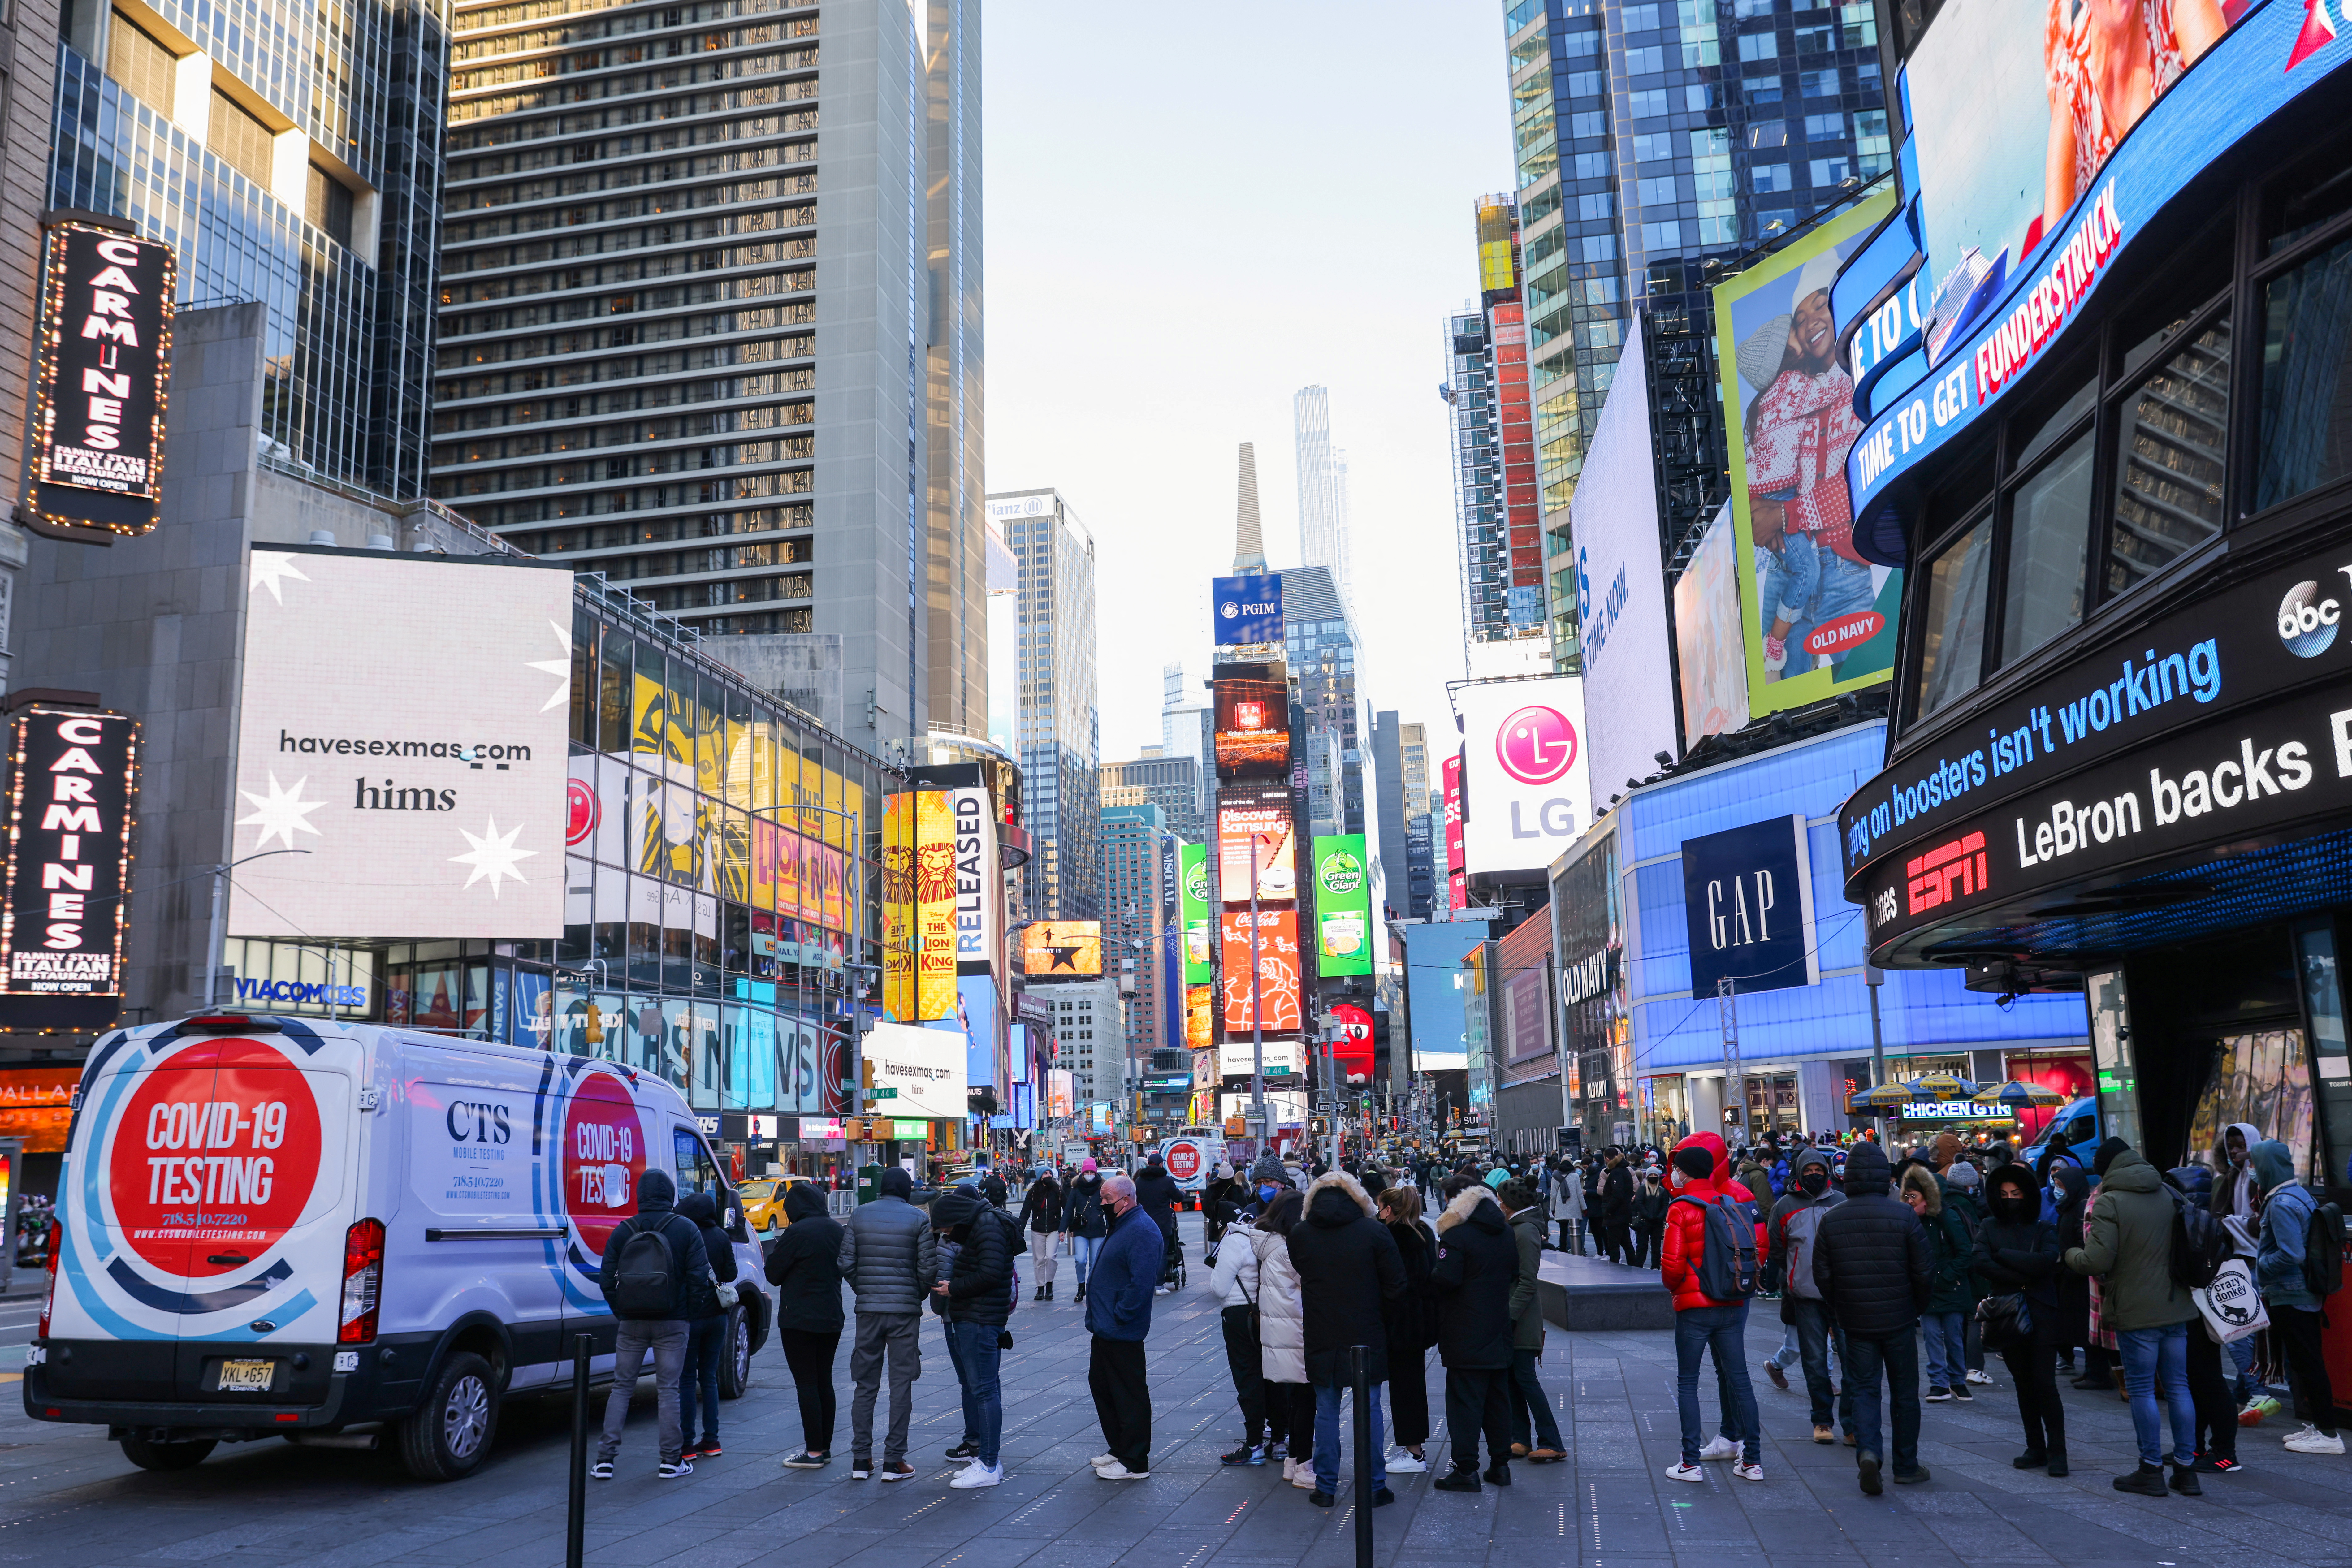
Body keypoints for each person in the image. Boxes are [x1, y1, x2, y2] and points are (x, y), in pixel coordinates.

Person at [2064, 1138, 2200, 1495]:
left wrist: (2070, 1255)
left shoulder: (2110, 1201)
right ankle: (2186, 1470)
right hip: (2176, 1304)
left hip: (2136, 1310)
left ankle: (2150, 1469)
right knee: (2179, 1387)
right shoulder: (2170, 1194)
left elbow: (2096, 1261)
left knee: (2141, 1390)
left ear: (2108, 1168)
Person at [1812, 1141, 1933, 1494]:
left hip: (1856, 1319)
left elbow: (1823, 1274)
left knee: (1864, 1389)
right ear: (1886, 1177)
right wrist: (1916, 1307)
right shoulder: (1904, 1216)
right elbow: (1924, 1271)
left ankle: (1868, 1452)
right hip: (1898, 1318)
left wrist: (1839, 1309)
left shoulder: (1832, 1219)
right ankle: (1906, 1464)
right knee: (1905, 1393)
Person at [1287, 1171, 1406, 1507]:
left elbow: (1301, 1271)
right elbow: (1397, 1285)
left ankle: (1325, 1487)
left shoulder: (1301, 1234)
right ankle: (1374, 1486)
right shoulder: (1374, 1232)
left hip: (1321, 1332)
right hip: (1366, 1332)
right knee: (1369, 1408)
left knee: (1325, 1411)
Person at [592, 1168, 719, 1480]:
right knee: (669, 1389)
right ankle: (670, 1460)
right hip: (673, 1321)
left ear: (640, 1196)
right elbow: (700, 1278)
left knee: (621, 1387)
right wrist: (687, 1312)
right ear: (670, 1194)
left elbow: (606, 1279)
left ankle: (605, 1460)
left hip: (632, 1322)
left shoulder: (624, 1230)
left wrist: (622, 1310)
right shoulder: (686, 1228)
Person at [1660, 1135, 1764, 1484]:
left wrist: (1680, 1290)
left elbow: (1672, 1267)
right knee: (1741, 1381)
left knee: (1688, 1383)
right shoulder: (1731, 1201)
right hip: (1732, 1303)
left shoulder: (1681, 1208)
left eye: (1675, 1169)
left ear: (1685, 1174)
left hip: (1694, 1307)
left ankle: (1690, 1463)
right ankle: (1752, 1461)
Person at [837, 1165, 937, 1482]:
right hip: (904, 1313)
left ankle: (860, 1459)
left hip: (868, 1311)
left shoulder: (860, 1215)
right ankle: (894, 1461)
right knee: (901, 1384)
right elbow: (927, 1269)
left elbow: (846, 1263)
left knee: (865, 1385)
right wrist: (915, 1295)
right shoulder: (919, 1219)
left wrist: (864, 1290)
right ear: (908, 1191)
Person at [1970, 1164, 2067, 1476]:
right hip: (2007, 1313)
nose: (2010, 1199)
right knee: (2023, 1384)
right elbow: (1980, 1262)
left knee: (2044, 1383)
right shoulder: (1988, 1226)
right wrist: (2024, 1269)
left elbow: (2046, 1262)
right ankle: (2035, 1446)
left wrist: (2005, 1256)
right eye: (2003, 1195)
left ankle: (2057, 1451)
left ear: (2026, 1195)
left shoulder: (2044, 1228)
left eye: (2015, 1194)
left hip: (2041, 1313)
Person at [2249, 1138, 2344, 1454]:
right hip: (2303, 1294)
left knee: (2307, 1363)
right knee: (2307, 1361)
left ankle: (2329, 1435)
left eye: (2255, 1164)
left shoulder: (2280, 1204)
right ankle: (2319, 1426)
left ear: (2266, 1168)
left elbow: (2292, 1254)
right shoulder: (2299, 1194)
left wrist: (2261, 1264)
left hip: (2291, 1294)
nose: (2252, 1170)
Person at [1427, 1177, 1519, 1493]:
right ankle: (1500, 1465)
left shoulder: (1457, 1236)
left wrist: (1431, 1279)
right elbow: (1515, 1275)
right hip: (1498, 1326)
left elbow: (1447, 1280)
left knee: (1464, 1402)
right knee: (1497, 1400)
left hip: (1464, 1330)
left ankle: (1466, 1469)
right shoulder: (1506, 1232)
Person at [1765, 1144, 1852, 1445]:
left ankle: (1851, 1423)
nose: (1814, 1175)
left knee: (1852, 1361)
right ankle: (1822, 1421)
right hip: (1806, 1295)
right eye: (1809, 1171)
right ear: (1799, 1174)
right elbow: (1776, 1248)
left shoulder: (1842, 1202)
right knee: (1815, 1363)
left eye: (1819, 1170)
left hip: (1843, 1294)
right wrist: (1793, 1274)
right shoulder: (1785, 1207)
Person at [929, 1186, 1015, 1489]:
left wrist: (954, 1289)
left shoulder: (988, 1225)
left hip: (980, 1319)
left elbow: (991, 1274)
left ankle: (989, 1464)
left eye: (949, 1228)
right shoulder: (983, 1224)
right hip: (978, 1317)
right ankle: (986, 1460)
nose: (949, 1234)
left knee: (985, 1391)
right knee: (983, 1389)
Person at [1087, 1173, 1162, 1480]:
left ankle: (1134, 1460)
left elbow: (1141, 1283)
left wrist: (1121, 1314)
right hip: (1106, 1327)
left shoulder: (1141, 1230)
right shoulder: (1123, 1224)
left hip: (1121, 1329)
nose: (1102, 1204)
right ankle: (1119, 1448)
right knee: (1103, 1388)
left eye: (1107, 1200)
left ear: (1126, 1200)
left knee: (1129, 1395)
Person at [766, 1182, 845, 1469]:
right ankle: (824, 1447)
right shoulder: (837, 1230)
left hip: (798, 1319)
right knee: (825, 1380)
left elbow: (773, 1274)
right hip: (831, 1317)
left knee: (807, 1383)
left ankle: (813, 1452)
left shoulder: (796, 1233)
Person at [1497, 1178, 1565, 1464]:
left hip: (1521, 1319)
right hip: (1515, 1316)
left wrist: (1508, 1317)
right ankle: (1520, 1438)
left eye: (1500, 1200)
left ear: (1509, 1204)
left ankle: (1551, 1441)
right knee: (1514, 1379)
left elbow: (1528, 1281)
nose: (1498, 1205)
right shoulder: (1517, 1227)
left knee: (1525, 1378)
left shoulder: (1524, 1231)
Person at [1252, 1190, 1317, 1486]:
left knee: (1298, 1401)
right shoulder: (1289, 1249)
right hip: (1297, 1333)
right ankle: (1304, 1466)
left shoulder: (1271, 1245)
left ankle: (1294, 1461)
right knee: (1307, 1401)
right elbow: (1312, 1280)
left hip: (1282, 1334)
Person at [1902, 1165, 1975, 1405]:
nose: (1910, 1201)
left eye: (1914, 1196)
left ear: (1928, 1195)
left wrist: (1944, 1276)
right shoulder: (1911, 1221)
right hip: (1927, 1289)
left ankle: (1957, 1380)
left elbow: (1965, 1252)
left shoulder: (1948, 1217)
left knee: (1954, 1335)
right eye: (1907, 1196)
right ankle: (1939, 1383)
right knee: (1932, 1336)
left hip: (1951, 1286)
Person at [1209, 1192, 1273, 1466]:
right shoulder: (1261, 1235)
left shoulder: (1233, 1242)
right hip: (1267, 1313)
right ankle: (1280, 1440)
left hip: (1239, 1317)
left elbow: (1219, 1288)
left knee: (1248, 1378)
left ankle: (1254, 1443)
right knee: (1272, 1376)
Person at [675, 1190, 739, 1461]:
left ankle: (687, 1445)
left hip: (691, 1315)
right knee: (709, 1377)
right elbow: (732, 1273)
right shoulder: (722, 1236)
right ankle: (712, 1440)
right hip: (717, 1316)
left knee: (687, 1379)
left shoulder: (683, 1235)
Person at [1376, 1185, 1437, 1473]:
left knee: (1403, 1390)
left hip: (1396, 1322)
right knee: (1410, 1386)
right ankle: (1414, 1449)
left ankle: (1414, 1454)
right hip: (1418, 1322)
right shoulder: (1423, 1232)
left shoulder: (1391, 1236)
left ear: (1388, 1210)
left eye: (1380, 1207)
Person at [1132, 1154, 1183, 1293]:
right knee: (1161, 1254)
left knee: (1144, 1255)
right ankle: (1159, 1286)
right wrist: (1182, 1193)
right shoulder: (1166, 1181)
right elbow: (1178, 1198)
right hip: (1162, 1223)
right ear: (1161, 1165)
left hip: (1143, 1223)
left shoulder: (1139, 1181)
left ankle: (1145, 1284)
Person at [1015, 1165, 1063, 1302]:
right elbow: (1025, 1212)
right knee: (1039, 1260)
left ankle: (1050, 1286)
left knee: (1050, 1257)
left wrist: (1067, 1227)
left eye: (1050, 1173)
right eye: (1045, 1174)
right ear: (1040, 1177)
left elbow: (1067, 1207)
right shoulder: (1034, 1192)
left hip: (1054, 1228)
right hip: (1038, 1229)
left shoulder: (1058, 1190)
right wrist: (1021, 1229)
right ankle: (1040, 1287)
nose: (1048, 1175)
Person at [1065, 1158, 1107, 1304]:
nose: (1089, 1175)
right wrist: (1063, 1229)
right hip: (1081, 1230)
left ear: (1096, 1173)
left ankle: (1093, 1288)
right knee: (1080, 1260)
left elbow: (1110, 1208)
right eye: (1087, 1172)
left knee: (1095, 1262)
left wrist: (1112, 1225)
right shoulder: (1076, 1190)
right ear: (1082, 1173)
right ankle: (1081, 1286)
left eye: (1092, 1172)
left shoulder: (1103, 1188)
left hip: (1098, 1229)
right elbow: (1069, 1210)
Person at [1599, 1151, 1635, 1265]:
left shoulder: (1617, 1173)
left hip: (1616, 1216)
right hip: (1623, 1214)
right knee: (1626, 1243)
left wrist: (1608, 1210)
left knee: (1614, 1245)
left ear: (1608, 1159)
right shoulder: (1624, 1171)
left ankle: (1616, 1269)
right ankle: (1633, 1266)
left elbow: (1617, 1195)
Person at [1633, 1165, 1669, 1270]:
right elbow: (1639, 1204)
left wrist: (1660, 1216)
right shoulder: (1642, 1189)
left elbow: (1665, 1204)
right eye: (1651, 1175)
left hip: (1657, 1223)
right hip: (1644, 1222)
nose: (1653, 1177)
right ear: (1647, 1176)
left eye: (1655, 1175)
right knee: (1642, 1246)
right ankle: (1639, 1266)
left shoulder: (1662, 1191)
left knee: (1657, 1247)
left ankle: (1656, 1266)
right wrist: (1648, 1215)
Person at [1546, 1160, 1584, 1254]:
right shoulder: (1575, 1176)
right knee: (1575, 1230)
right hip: (1574, 1208)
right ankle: (1576, 1249)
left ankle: (1563, 1250)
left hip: (1561, 1207)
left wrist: (1553, 1208)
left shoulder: (1555, 1176)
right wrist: (1584, 1207)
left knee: (1563, 1231)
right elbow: (1580, 1193)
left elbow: (1553, 1195)